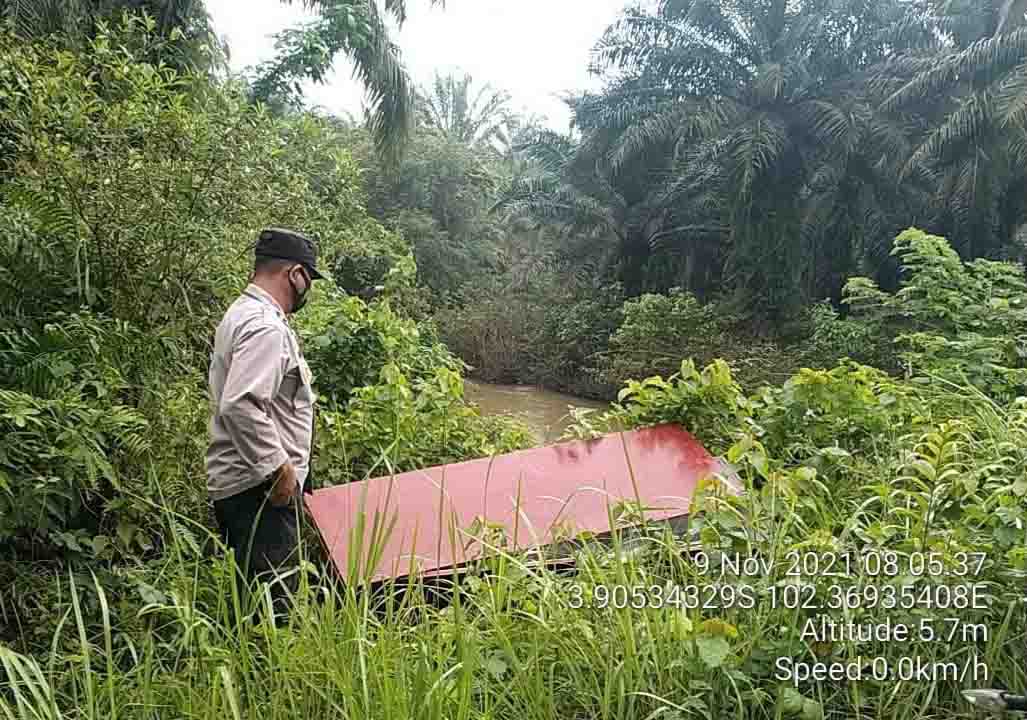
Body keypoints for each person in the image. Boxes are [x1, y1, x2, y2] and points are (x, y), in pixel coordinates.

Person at [205, 227, 324, 619]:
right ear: (295, 274)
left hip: (244, 489)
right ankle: (268, 679)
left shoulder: (242, 314)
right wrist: (280, 472)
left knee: (252, 605)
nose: (308, 289)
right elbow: (241, 405)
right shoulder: (265, 327)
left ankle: (242, 676)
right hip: (260, 492)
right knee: (273, 616)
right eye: (309, 278)